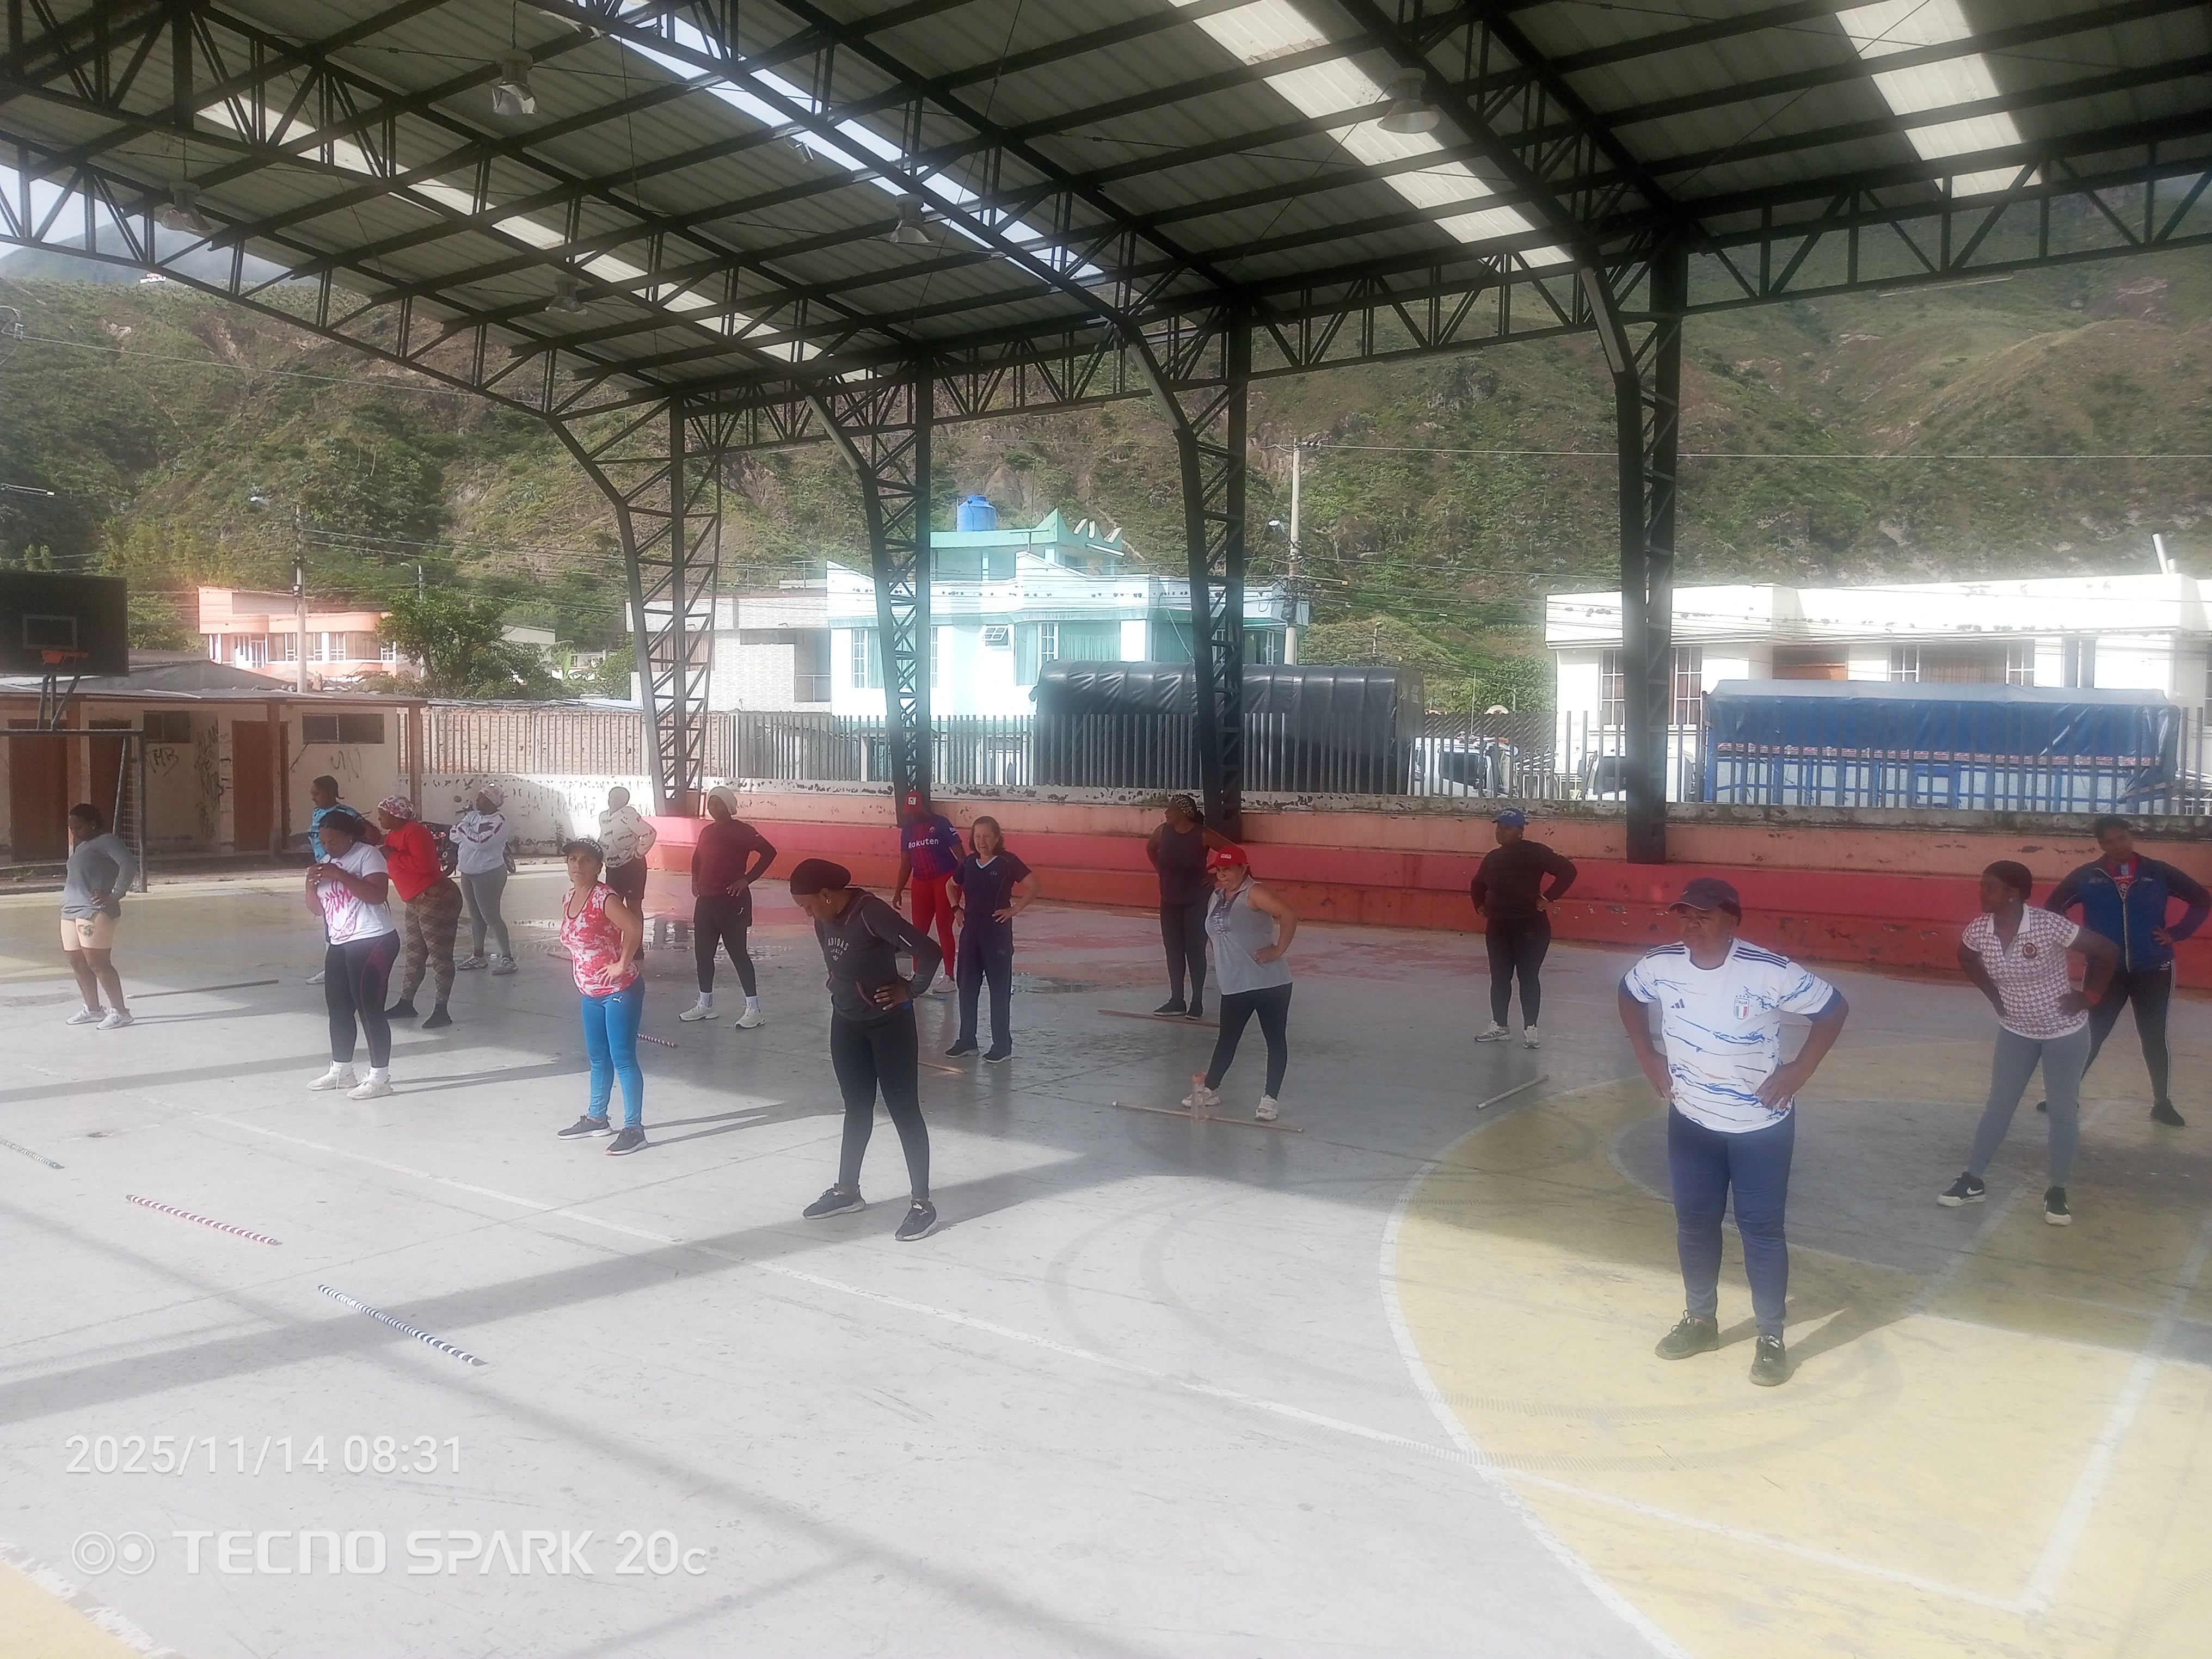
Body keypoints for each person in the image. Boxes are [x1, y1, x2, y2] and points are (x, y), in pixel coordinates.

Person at [1617, 877, 1849, 1388]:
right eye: (1686, 915)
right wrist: (1646, 1054)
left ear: (1732, 921)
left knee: (1761, 1229)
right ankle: (1701, 1321)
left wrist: (1800, 1070)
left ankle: (1771, 1337)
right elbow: (1629, 994)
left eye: (1704, 916)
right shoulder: (1661, 964)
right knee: (1694, 1222)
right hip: (1692, 1120)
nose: (1691, 925)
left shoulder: (1768, 971)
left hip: (1759, 1128)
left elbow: (1833, 1009)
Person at [1942, 861, 2119, 1226]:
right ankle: (1973, 1180)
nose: (1981, 893)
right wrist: (1993, 994)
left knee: (2062, 1110)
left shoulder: (2047, 925)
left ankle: (2058, 1189)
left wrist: (2091, 996)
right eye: (1982, 885)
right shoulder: (1979, 930)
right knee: (1999, 1105)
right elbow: (1966, 958)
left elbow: (2107, 951)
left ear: (2013, 893)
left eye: (1990, 887)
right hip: (2016, 1031)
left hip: (2064, 1033)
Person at [788, 857, 944, 1241]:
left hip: (890, 1027)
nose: (808, 913)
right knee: (856, 1108)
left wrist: (911, 989)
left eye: (808, 905)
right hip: (847, 1025)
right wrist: (840, 987)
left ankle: (922, 1204)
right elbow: (837, 962)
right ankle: (847, 1191)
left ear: (827, 894)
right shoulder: (823, 918)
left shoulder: (871, 913)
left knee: (904, 1112)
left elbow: (929, 951)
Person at [2044, 816, 2206, 1128]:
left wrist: (2178, 932)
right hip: (2105, 971)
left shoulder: (2157, 872)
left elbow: (2201, 899)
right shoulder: (2087, 877)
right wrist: (2078, 939)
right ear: (2101, 845)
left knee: (2154, 1036)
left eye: (2123, 838)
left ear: (2131, 836)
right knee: (2091, 1034)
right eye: (2110, 841)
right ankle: (2063, 1096)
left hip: (2154, 968)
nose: (2119, 845)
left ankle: (2162, 1103)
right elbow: (2053, 907)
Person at [1184, 845, 1298, 1122]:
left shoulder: (1254, 892)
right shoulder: (1216, 897)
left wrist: (1278, 950)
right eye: (1219, 870)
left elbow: (1289, 915)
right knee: (1228, 1038)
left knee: (1275, 1040)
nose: (1222, 875)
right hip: (1234, 983)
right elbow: (1216, 935)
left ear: (1243, 869)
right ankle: (1210, 1088)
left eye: (1228, 869)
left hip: (1269, 983)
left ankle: (1270, 1098)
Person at [552, 838, 649, 1156]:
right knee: (597, 1057)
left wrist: (622, 964)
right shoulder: (569, 897)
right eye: (573, 859)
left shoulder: (604, 898)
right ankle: (597, 1118)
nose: (578, 865)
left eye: (586, 860)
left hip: (620, 991)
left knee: (622, 1057)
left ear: (599, 866)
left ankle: (634, 1129)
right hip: (590, 992)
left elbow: (633, 928)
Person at [306, 808, 400, 1098]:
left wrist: (340, 875)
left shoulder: (367, 855)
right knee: (338, 1007)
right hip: (340, 941)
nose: (328, 847)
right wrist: (309, 886)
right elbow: (317, 909)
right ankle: (342, 1070)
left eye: (334, 841)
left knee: (369, 1008)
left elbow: (377, 895)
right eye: (323, 842)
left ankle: (380, 1078)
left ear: (349, 837)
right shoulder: (325, 862)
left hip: (372, 939)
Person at [1469, 807, 1577, 1050]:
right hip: (1498, 926)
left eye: (1507, 828)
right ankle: (1500, 1025)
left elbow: (1568, 871)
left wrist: (1548, 897)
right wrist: (1479, 905)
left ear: (1520, 830)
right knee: (1499, 977)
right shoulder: (1493, 857)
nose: (1501, 832)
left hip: (1530, 927)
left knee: (1528, 977)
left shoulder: (1535, 852)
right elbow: (1477, 884)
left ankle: (1531, 1029)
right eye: (1499, 827)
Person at [947, 815, 1041, 1062]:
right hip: (971, 933)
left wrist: (1014, 910)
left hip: (996, 934)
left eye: (987, 836)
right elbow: (950, 885)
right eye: (977, 836)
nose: (982, 841)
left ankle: (1002, 1045)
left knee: (999, 989)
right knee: (967, 987)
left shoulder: (1008, 861)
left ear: (997, 837)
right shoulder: (968, 863)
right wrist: (956, 909)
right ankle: (967, 1041)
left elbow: (1034, 885)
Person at [680, 788, 777, 1027]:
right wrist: (695, 879)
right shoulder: (706, 831)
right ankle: (706, 1004)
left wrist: (747, 880)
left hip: (732, 901)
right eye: (710, 802)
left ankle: (754, 1009)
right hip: (706, 901)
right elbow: (697, 857)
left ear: (728, 806)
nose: (712, 807)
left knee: (738, 954)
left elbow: (769, 853)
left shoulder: (743, 831)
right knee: (703, 955)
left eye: (717, 803)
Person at [374, 797, 460, 1031]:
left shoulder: (415, 831)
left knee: (440, 956)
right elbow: (396, 869)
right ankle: (406, 1003)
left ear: (396, 815)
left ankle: (441, 1009)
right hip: (415, 900)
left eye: (383, 814)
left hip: (435, 897)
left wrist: (393, 856)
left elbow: (426, 866)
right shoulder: (393, 836)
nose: (379, 819)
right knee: (414, 954)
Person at [60, 802, 137, 1030]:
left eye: (79, 827)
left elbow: (128, 864)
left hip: (94, 911)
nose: (75, 832)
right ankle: (93, 1009)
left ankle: (120, 1012)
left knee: (97, 962)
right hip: (71, 910)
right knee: (77, 961)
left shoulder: (107, 841)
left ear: (93, 824)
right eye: (72, 828)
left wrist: (115, 895)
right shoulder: (82, 846)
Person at [1146, 794, 1223, 1019]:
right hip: (1169, 900)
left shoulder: (1203, 834)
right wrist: (1160, 870)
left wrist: (1215, 876)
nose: (1166, 813)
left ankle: (1197, 1002)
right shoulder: (1162, 832)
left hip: (1196, 900)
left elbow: (1234, 853)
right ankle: (1176, 1000)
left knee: (1195, 951)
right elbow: (1151, 849)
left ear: (1183, 813)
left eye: (1170, 809)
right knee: (1173, 950)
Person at [304, 775, 374, 986]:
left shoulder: (346, 813)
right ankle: (332, 966)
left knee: (345, 916)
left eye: (317, 793)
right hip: (325, 867)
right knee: (329, 918)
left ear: (330, 792)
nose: (313, 797)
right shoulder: (317, 813)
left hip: (343, 868)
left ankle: (340, 966)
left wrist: (353, 855)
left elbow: (373, 835)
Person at [891, 790, 962, 995]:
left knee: (943, 927)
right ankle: (917, 973)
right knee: (918, 930)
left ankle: (949, 977)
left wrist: (965, 882)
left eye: (916, 811)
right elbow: (906, 865)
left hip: (945, 879)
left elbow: (961, 856)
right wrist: (898, 892)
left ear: (925, 806)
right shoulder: (907, 831)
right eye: (910, 812)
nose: (913, 816)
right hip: (921, 882)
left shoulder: (941, 824)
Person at [451, 785, 517, 975]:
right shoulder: (473, 816)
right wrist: (466, 833)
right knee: (476, 916)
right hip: (468, 872)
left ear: (492, 802)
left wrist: (463, 830)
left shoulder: (500, 822)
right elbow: (453, 835)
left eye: (482, 798)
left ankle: (508, 959)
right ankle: (478, 956)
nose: (477, 801)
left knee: (491, 916)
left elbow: (480, 844)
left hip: (488, 873)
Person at [599, 786, 657, 927]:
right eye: (611, 797)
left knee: (634, 906)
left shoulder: (629, 816)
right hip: (612, 867)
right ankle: (615, 938)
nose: (612, 800)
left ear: (625, 801)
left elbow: (650, 833)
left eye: (617, 798)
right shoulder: (603, 817)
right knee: (614, 905)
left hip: (632, 866)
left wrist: (638, 853)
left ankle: (637, 939)